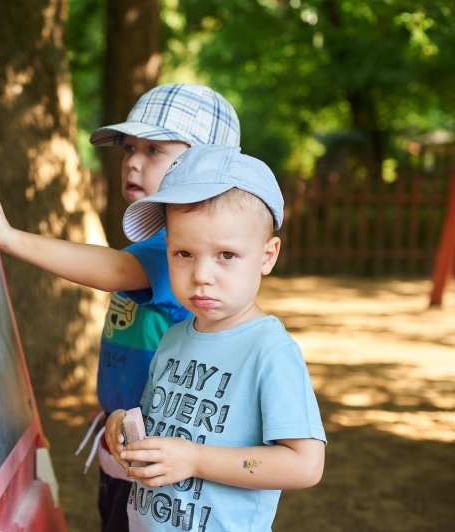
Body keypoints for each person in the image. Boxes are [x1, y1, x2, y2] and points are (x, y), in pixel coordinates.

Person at [0, 83, 240, 531]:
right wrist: (114, 402)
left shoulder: (179, 251)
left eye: (155, 150)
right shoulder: (156, 242)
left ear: (206, 166)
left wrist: (9, 238)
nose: (133, 162)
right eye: (130, 149)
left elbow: (115, 270)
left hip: (158, 464)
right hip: (125, 441)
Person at [104, 144, 327, 531]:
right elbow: (163, 429)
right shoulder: (173, 339)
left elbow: (305, 464)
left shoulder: (270, 352)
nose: (201, 275)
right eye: (184, 253)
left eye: (226, 255)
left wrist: (196, 460)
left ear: (267, 256)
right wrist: (124, 424)